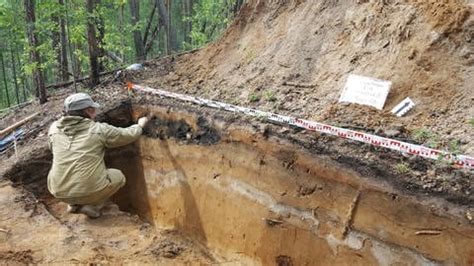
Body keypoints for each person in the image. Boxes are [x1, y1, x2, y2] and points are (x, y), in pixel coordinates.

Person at [47, 92, 149, 218]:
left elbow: (53, 149)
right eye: (93, 109)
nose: (95, 112)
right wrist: (140, 125)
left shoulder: (54, 129)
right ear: (89, 110)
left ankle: (75, 204)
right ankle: (93, 206)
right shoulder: (98, 130)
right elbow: (128, 135)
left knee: (73, 172)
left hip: (58, 190)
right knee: (118, 177)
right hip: (88, 188)